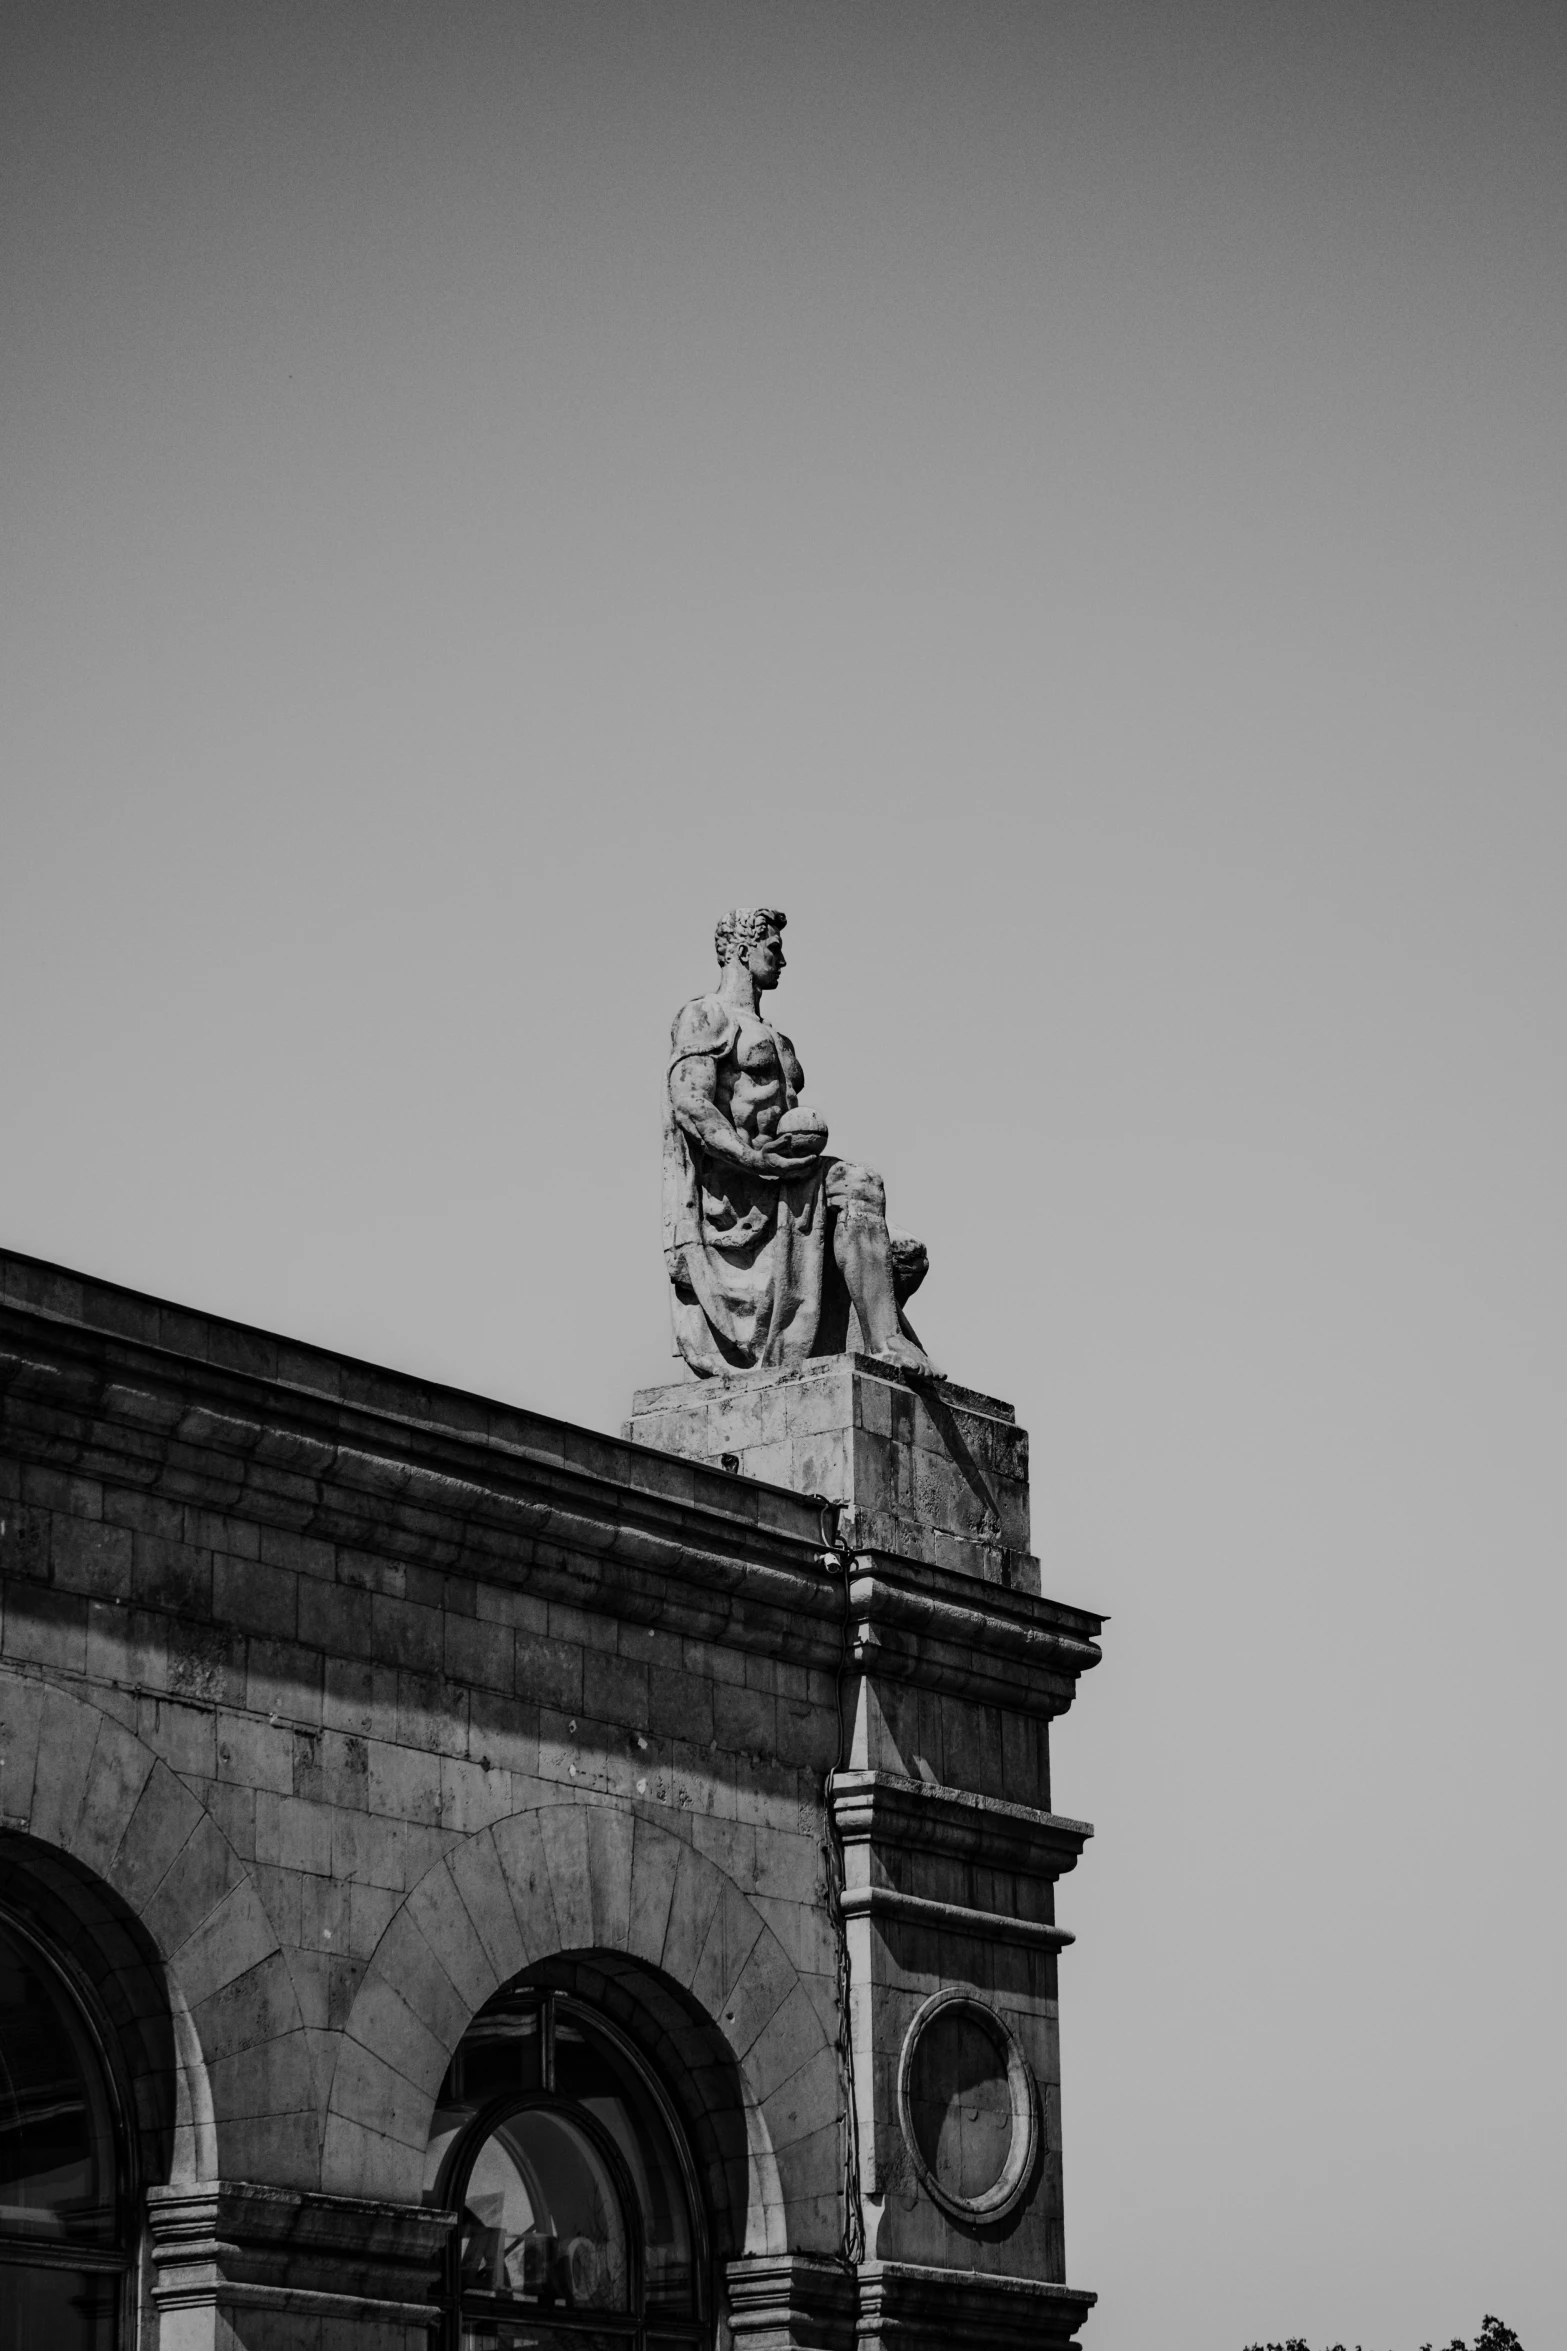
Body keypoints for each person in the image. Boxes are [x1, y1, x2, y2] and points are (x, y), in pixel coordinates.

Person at [662, 907, 939, 1377]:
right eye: (774, 948)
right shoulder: (705, 1015)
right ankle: (885, 1341)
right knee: (858, 1182)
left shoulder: (779, 1039)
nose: (782, 960)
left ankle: (869, 1335)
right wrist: (757, 1158)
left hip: (789, 1184)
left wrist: (787, 1156)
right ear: (743, 950)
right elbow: (692, 1105)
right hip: (742, 1192)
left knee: (906, 1255)